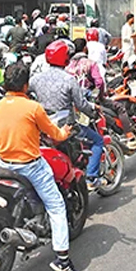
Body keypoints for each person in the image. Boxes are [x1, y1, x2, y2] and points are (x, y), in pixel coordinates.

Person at [0, 63, 78, 271]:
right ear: (25, 85)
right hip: (29, 165)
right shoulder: (33, 107)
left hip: (3, 164)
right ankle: (63, 260)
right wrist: (65, 132)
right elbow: (55, 135)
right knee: (57, 207)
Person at [31, 40, 105, 191]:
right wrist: (93, 110)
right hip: (66, 126)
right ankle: (92, 177)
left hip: (43, 127)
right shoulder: (69, 79)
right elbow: (81, 104)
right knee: (98, 141)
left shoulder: (35, 79)